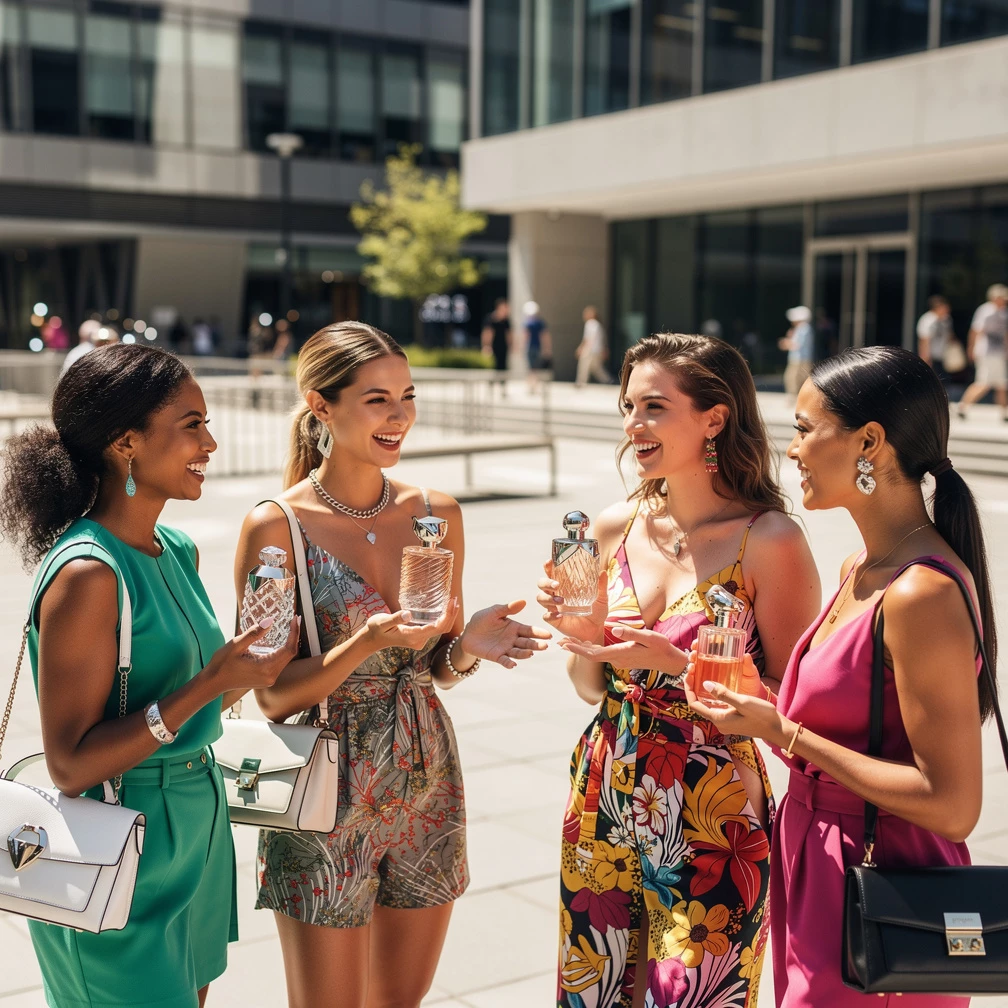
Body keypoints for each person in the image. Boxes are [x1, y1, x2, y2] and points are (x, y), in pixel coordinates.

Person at [235, 322, 550, 1008]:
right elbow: (270, 698)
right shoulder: (275, 526)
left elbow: (435, 665)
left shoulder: (437, 514)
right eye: (377, 399)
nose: (400, 415)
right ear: (322, 405)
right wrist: (366, 643)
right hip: (325, 789)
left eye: (406, 396)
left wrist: (469, 645)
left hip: (427, 773)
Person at [686, 346, 994, 1007]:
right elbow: (833, 727)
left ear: (870, 443)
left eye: (802, 428)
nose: (789, 449)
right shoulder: (864, 564)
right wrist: (749, 700)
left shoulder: (920, 593)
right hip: (821, 873)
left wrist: (786, 733)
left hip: (880, 898)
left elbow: (954, 805)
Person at [0, 344, 298, 1008]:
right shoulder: (88, 574)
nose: (210, 441)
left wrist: (249, 672)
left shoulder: (176, 551)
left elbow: (190, 687)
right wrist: (208, 685)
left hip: (196, 826)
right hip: (114, 834)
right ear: (126, 442)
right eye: (191, 423)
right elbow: (72, 765)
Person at [538, 332, 821, 1008]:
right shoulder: (612, 527)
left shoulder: (769, 540)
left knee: (695, 996)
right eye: (628, 407)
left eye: (655, 408)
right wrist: (584, 636)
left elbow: (796, 707)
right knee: (595, 991)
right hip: (605, 785)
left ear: (714, 418)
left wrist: (678, 664)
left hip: (712, 802)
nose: (634, 425)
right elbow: (590, 687)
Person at [957, 283, 1008, 421]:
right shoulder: (985, 311)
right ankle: (963, 406)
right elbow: (975, 331)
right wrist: (971, 348)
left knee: (1002, 384)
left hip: (999, 354)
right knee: (983, 383)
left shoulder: (1004, 313)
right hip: (986, 352)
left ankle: (1004, 413)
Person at [778, 306, 814, 398]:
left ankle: (794, 396)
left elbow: (798, 345)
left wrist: (786, 343)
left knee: (792, 378)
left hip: (799, 359)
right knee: (799, 378)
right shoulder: (802, 328)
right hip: (800, 358)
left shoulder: (803, 328)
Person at [915, 294, 955, 375]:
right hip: (931, 356)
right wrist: (925, 357)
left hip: (943, 355)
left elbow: (950, 335)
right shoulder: (928, 320)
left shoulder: (946, 319)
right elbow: (924, 339)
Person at [575, 305, 612, 388]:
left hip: (590, 350)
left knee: (583, 365)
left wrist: (582, 348)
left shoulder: (590, 323)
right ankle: (607, 380)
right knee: (596, 367)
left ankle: (581, 382)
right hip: (597, 350)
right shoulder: (598, 325)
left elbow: (588, 338)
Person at [481, 297, 511, 396]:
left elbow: (509, 334)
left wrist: (512, 346)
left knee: (503, 367)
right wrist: (486, 346)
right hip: (494, 347)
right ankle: (491, 387)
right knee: (494, 367)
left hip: (504, 347)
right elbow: (487, 333)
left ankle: (503, 389)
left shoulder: (506, 321)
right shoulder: (491, 319)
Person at [523, 300, 553, 388]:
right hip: (537, 348)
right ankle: (533, 384)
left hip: (530, 348)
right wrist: (547, 349)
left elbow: (525, 336)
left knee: (531, 367)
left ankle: (532, 384)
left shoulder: (528, 323)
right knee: (536, 367)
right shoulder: (541, 323)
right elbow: (545, 337)